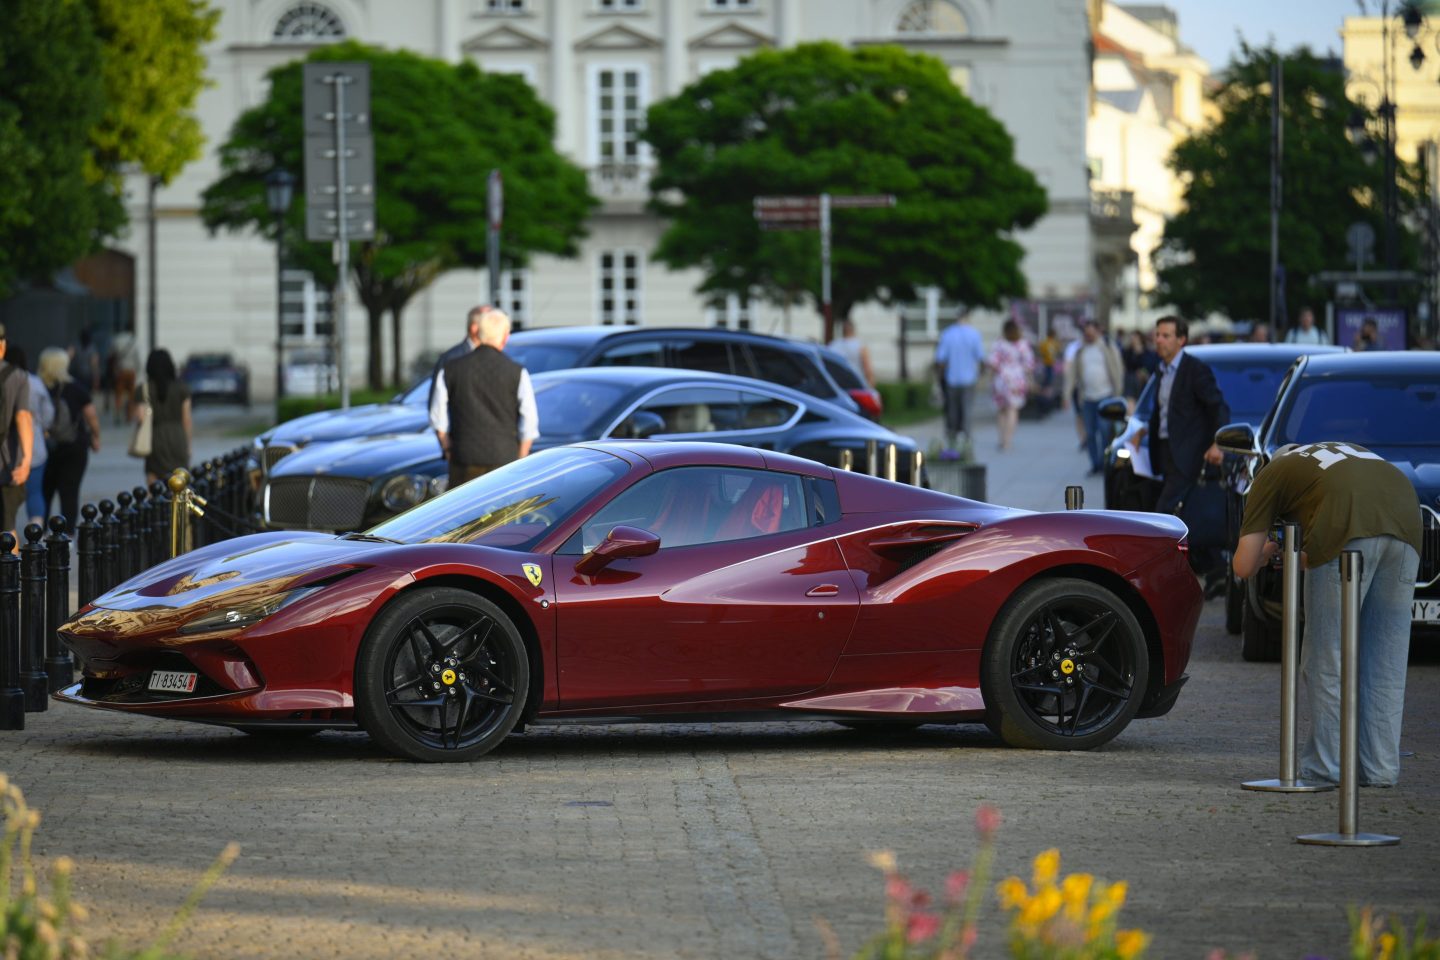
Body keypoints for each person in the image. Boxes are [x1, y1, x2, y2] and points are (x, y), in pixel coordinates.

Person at [1232, 442, 1421, 787]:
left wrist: (1266, 553)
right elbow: (1318, 552)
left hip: (1347, 523)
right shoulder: (1334, 458)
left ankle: (1326, 768)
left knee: (1325, 656)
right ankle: (1378, 768)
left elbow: (1243, 565)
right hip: (1407, 520)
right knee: (1385, 661)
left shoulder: (1270, 474)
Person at [429, 307, 538, 487]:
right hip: (505, 458)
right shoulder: (517, 372)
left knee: (465, 512)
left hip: (463, 458)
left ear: (478, 332)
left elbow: (437, 415)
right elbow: (530, 421)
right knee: (504, 513)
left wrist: (447, 447)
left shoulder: (450, 368)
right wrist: (521, 456)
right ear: (505, 337)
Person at [39, 347, 100, 532]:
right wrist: (96, 436)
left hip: (46, 447)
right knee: (70, 492)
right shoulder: (76, 388)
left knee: (44, 492)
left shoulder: (38, 387)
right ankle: (67, 534)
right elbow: (92, 416)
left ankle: (39, 533)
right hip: (75, 446)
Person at [1061, 320, 1123, 476]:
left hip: (1106, 396)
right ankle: (1095, 464)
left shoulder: (1108, 348)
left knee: (1104, 431)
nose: (1088, 336)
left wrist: (1118, 393)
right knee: (1089, 433)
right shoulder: (1080, 351)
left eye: (1090, 332)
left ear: (1097, 331)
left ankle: (1104, 464)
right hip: (1087, 398)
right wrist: (1066, 395)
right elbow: (1072, 375)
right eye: (1086, 333)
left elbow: (1118, 370)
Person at [5, 347, 54, 529]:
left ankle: (9, 533)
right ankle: (37, 530)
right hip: (35, 446)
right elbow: (49, 414)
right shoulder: (35, 382)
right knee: (35, 492)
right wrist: (42, 426)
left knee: (7, 499)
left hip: (7, 449)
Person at [933, 306, 987, 453]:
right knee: (967, 409)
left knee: (952, 409)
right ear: (968, 317)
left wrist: (939, 378)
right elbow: (981, 358)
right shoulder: (974, 334)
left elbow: (940, 360)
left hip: (952, 378)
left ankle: (952, 437)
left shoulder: (948, 334)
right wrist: (981, 374)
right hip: (969, 378)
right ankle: (967, 439)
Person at [134, 349, 192, 484]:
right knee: (179, 481)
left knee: (154, 479)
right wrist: (188, 445)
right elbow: (187, 420)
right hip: (178, 438)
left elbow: (141, 418)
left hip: (155, 439)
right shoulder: (182, 389)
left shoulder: (144, 389)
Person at [0, 325, 34, 547]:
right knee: (7, 527)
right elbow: (22, 417)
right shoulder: (18, 376)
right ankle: (10, 581)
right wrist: (26, 460)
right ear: (2, 345)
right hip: (6, 461)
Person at [987, 319, 1035, 452]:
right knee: (1012, 410)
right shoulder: (1023, 344)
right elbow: (1029, 365)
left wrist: (991, 379)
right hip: (1017, 379)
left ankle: (1001, 439)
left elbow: (992, 363)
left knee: (1001, 410)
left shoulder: (999, 344)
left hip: (1001, 379)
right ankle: (1008, 441)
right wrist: (1030, 380)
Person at [831, 318, 875, 385]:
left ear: (843, 330)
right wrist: (870, 387)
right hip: (856, 385)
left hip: (838, 385)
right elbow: (868, 370)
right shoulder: (860, 346)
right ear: (853, 330)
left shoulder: (833, 345)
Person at [110, 332, 140, 424]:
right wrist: (138, 370)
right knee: (131, 396)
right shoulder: (134, 341)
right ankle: (129, 416)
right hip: (131, 371)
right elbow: (137, 358)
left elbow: (112, 356)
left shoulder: (117, 340)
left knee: (119, 395)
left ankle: (118, 414)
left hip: (121, 371)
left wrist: (114, 370)